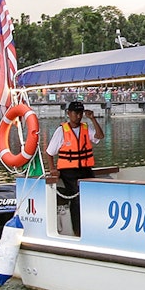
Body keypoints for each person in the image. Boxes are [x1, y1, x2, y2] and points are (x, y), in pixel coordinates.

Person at [45, 100, 105, 235]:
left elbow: (100, 136)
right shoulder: (61, 131)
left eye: (80, 113)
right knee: (76, 199)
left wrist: (93, 119)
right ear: (69, 113)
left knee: (94, 195)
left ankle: (93, 227)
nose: (78, 116)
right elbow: (49, 153)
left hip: (85, 169)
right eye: (75, 113)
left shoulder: (85, 128)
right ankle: (78, 231)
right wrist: (53, 169)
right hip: (68, 171)